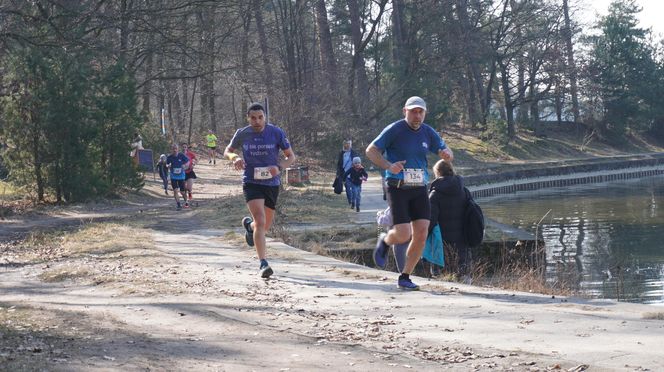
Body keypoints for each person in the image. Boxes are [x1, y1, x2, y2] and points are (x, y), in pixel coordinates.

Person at [366, 96, 454, 290]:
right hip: (397, 187)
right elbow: (371, 150)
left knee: (421, 233)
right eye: (413, 111)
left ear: (425, 113)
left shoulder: (428, 132)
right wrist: (389, 165)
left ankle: (405, 276)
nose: (417, 115)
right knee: (403, 233)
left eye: (420, 112)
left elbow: (444, 149)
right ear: (405, 111)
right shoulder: (394, 130)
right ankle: (386, 240)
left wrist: (447, 154)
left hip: (419, 188)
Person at [223, 102, 296, 279]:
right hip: (251, 181)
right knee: (261, 221)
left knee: (263, 227)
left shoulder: (276, 132)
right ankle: (263, 263)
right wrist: (235, 158)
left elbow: (291, 156)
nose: (257, 121)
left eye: (260, 117)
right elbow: (227, 151)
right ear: (248, 118)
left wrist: (279, 167)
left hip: (271, 183)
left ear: (265, 117)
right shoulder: (242, 133)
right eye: (253, 118)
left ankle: (249, 226)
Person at [428, 159, 471, 282]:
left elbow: (430, 221)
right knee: (463, 275)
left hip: (441, 244)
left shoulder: (435, 195)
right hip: (462, 241)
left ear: (437, 172)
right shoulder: (464, 191)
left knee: (441, 277)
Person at [166, 143, 190, 210]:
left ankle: (186, 201)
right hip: (173, 176)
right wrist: (168, 166)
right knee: (175, 191)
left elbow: (188, 162)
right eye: (173, 149)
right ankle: (179, 205)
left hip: (181, 176)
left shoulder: (181, 155)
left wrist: (185, 166)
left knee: (182, 192)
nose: (174, 150)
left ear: (178, 149)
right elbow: (166, 165)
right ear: (171, 150)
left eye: (176, 149)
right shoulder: (169, 157)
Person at [336, 139, 359, 206]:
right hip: (345, 174)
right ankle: (350, 201)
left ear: (351, 144)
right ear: (344, 144)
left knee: (354, 188)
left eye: (349, 143)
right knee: (347, 188)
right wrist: (338, 173)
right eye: (346, 143)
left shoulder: (354, 152)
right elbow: (339, 164)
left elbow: (358, 162)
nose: (348, 145)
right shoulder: (341, 153)